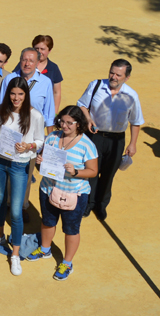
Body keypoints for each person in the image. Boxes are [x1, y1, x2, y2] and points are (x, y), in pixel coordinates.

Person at [0, 77, 46, 277]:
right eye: (13, 93)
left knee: (16, 211)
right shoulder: (0, 110)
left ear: (26, 96)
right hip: (0, 160)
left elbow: (40, 141)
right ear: (8, 94)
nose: (16, 98)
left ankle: (15, 254)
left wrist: (29, 146)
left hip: (20, 164)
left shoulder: (34, 115)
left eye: (20, 94)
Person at [31, 106, 99, 280]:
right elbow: (44, 163)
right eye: (62, 121)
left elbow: (92, 171)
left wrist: (76, 172)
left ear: (79, 124)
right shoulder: (52, 137)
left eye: (70, 123)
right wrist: (40, 162)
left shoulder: (87, 145)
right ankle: (45, 249)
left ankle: (67, 263)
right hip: (48, 188)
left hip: (74, 194)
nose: (65, 125)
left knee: (71, 229)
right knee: (47, 221)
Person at [77, 59, 143, 221]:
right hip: (94, 137)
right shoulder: (96, 86)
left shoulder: (132, 95)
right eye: (111, 72)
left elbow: (135, 121)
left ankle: (101, 205)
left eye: (118, 75)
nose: (113, 77)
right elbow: (82, 105)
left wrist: (132, 144)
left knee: (109, 174)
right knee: (91, 172)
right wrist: (88, 119)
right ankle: (88, 204)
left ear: (126, 77)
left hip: (116, 140)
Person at [2, 48, 56, 128]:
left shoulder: (45, 82)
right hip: (11, 127)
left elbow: (49, 114)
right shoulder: (9, 79)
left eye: (31, 61)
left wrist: (49, 138)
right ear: (20, 60)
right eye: (24, 60)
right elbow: (2, 105)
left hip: (35, 129)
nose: (27, 64)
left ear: (37, 62)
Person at [30, 34, 63, 108]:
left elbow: (56, 93)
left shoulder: (53, 68)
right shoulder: (24, 64)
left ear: (49, 50)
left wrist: (54, 113)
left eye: (42, 49)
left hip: (44, 111)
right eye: (36, 48)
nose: (39, 51)